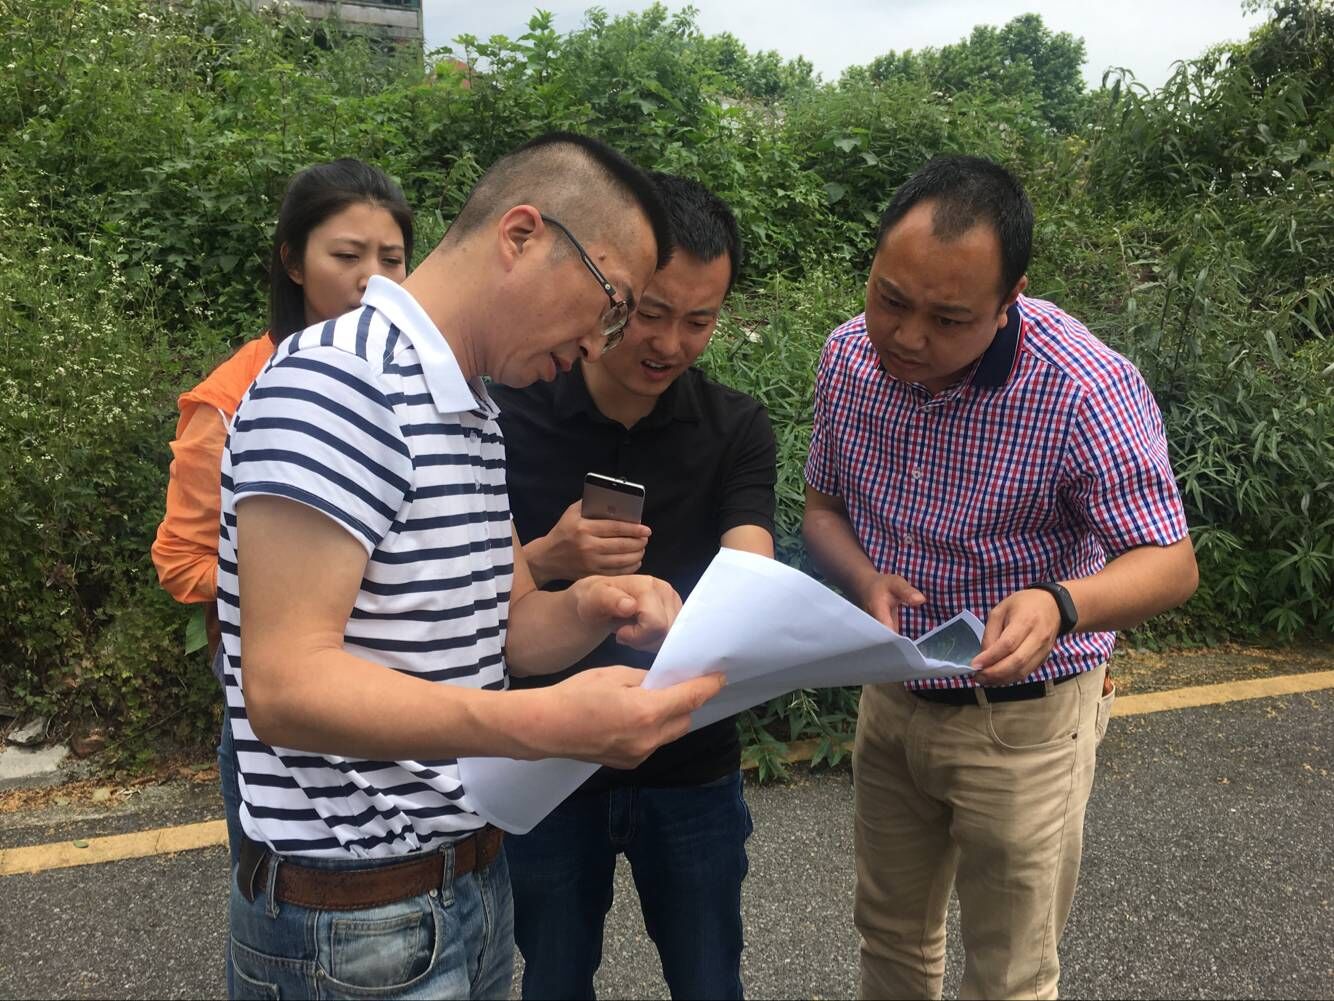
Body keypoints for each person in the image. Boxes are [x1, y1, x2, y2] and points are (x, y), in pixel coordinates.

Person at [219, 132, 726, 999]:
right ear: (522, 235)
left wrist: (592, 605)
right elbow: (286, 686)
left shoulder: (475, 406)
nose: (600, 341)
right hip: (353, 916)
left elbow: (506, 630)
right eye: (611, 303)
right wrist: (542, 724)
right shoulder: (341, 381)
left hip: (463, 884)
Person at [802, 155, 1199, 1000]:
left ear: (1010, 296)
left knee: (1010, 973)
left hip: (1024, 721)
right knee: (890, 940)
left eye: (949, 319)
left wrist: (1063, 603)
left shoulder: (1081, 388)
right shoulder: (847, 358)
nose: (908, 337)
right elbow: (823, 509)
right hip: (892, 696)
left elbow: (1170, 562)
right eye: (890, 299)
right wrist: (865, 578)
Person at [493, 173, 774, 1000]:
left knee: (709, 978)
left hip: (690, 761)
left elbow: (749, 563)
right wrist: (550, 555)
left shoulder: (734, 427)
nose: (670, 343)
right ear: (610, 289)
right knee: (552, 977)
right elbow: (486, 594)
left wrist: (724, 611)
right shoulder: (511, 413)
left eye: (700, 320)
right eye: (651, 312)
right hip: (548, 755)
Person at [152, 158, 414, 867]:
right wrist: (295, 578)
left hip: (396, 675)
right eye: (347, 256)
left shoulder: (418, 384)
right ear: (293, 263)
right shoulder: (232, 397)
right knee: (285, 873)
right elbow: (179, 559)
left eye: (392, 259)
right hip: (278, 684)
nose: (373, 279)